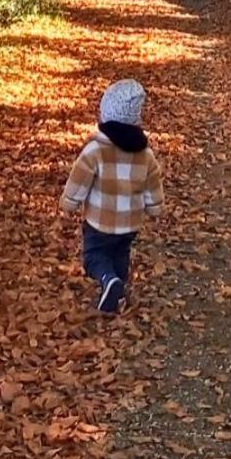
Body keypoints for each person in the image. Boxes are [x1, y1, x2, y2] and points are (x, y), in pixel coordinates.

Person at [60, 78, 164, 313]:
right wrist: (155, 208)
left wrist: (70, 203)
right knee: (120, 252)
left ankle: (109, 280)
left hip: (100, 221)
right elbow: (153, 183)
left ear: (105, 114)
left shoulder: (95, 151)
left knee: (93, 256)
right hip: (130, 223)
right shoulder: (145, 155)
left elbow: (79, 180)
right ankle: (117, 290)